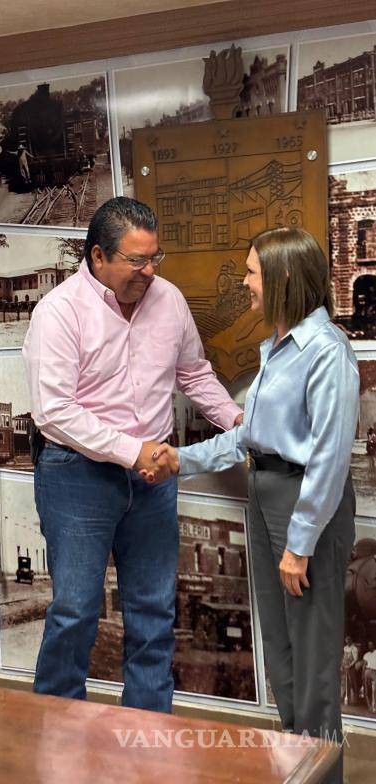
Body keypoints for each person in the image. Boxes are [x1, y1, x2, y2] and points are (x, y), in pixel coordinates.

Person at [145, 227, 359, 781]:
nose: (244, 284)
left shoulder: (326, 353)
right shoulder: (278, 348)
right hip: (268, 499)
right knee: (283, 653)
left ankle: (323, 775)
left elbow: (331, 459)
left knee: (312, 661)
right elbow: (248, 438)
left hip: (304, 503)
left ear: (284, 277)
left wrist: (301, 544)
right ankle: (299, 766)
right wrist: (179, 459)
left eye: (251, 273)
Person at [22, 196, 242, 712]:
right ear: (98, 256)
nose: (149, 271)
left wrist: (235, 419)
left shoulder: (169, 299)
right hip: (78, 477)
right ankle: (55, 735)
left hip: (153, 481)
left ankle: (149, 741)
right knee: (75, 611)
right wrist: (131, 449)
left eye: (155, 257)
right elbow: (53, 412)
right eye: (137, 260)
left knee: (153, 612)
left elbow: (193, 372)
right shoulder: (58, 312)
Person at [341, 635, 358, 705]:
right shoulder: (345, 648)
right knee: (344, 682)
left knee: (352, 683)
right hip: (345, 666)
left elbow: (355, 659)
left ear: (351, 641)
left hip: (351, 667)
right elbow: (343, 657)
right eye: (346, 641)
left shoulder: (354, 648)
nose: (347, 642)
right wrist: (342, 665)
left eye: (348, 641)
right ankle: (345, 698)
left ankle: (354, 700)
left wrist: (350, 665)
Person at [363, 641, 376, 713]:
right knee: (367, 690)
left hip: (374, 672)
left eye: (371, 645)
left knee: (374, 690)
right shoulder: (366, 654)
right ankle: (370, 707)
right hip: (367, 671)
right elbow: (364, 665)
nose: (370, 646)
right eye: (369, 645)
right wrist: (363, 674)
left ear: (374, 645)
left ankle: (374, 707)